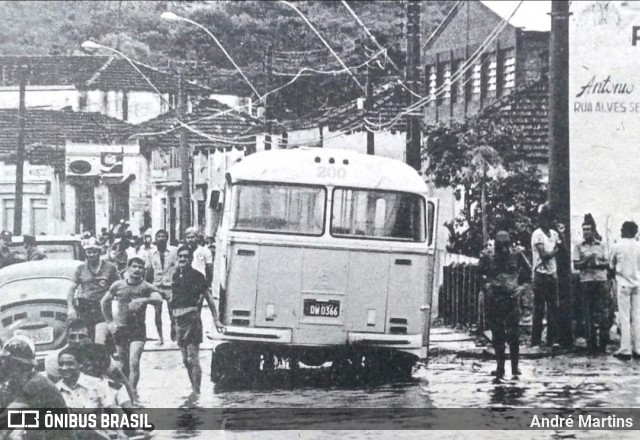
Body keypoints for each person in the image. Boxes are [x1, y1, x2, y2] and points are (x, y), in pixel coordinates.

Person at [101, 257, 163, 390]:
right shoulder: (118, 285)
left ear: (144, 271)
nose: (137, 270)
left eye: (140, 268)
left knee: (134, 361)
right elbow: (104, 302)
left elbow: (159, 299)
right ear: (128, 268)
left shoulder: (146, 286)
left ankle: (133, 392)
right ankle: (126, 391)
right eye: (134, 266)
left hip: (138, 329)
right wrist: (109, 322)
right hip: (121, 328)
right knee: (123, 364)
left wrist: (144, 300)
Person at [171, 245, 223, 396]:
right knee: (185, 361)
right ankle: (194, 389)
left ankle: (196, 392)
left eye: (186, 256)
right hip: (177, 320)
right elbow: (172, 300)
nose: (182, 259)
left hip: (192, 319)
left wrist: (216, 320)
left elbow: (209, 298)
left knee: (192, 358)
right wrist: (172, 326)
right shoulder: (175, 275)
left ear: (191, 258)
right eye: (180, 256)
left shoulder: (197, 276)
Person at [44, 318, 134, 402]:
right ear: (67, 338)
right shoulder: (54, 359)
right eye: (72, 336)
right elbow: (57, 391)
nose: (77, 341)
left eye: (81, 336)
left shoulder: (99, 353)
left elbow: (120, 379)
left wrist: (131, 402)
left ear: (90, 338)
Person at [479, 231, 530, 380]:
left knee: (514, 334)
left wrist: (521, 288)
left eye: (505, 246)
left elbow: (528, 274)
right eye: (500, 246)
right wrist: (486, 285)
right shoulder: (488, 256)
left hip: (512, 298)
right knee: (498, 334)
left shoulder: (517, 255)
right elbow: (479, 274)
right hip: (495, 298)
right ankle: (499, 367)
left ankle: (515, 367)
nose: (503, 250)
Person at [0, 337, 70, 440]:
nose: (3, 367)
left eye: (5, 363)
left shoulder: (36, 384)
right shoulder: (21, 383)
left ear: (18, 366)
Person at [67, 237, 120, 341]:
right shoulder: (80, 268)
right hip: (85, 307)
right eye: (89, 252)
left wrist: (117, 305)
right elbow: (71, 289)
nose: (91, 255)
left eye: (94, 252)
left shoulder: (110, 268)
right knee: (86, 338)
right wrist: (70, 308)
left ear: (99, 252)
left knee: (101, 338)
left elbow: (118, 287)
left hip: (103, 307)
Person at [573, 215, 611, 353]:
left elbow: (608, 263)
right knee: (587, 313)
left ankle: (604, 343)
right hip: (586, 281)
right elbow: (576, 265)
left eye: (588, 229)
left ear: (593, 231)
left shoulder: (602, 245)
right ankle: (591, 343)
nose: (586, 232)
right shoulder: (578, 246)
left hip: (601, 281)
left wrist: (597, 262)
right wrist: (586, 261)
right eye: (584, 229)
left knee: (603, 312)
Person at [530, 208, 562, 349]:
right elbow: (544, 254)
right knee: (539, 308)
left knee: (553, 307)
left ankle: (552, 339)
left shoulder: (554, 234)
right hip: (540, 274)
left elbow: (563, 247)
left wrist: (560, 231)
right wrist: (555, 251)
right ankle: (535, 340)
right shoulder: (537, 235)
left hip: (552, 274)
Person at [609, 221, 640, 360]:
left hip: (623, 284)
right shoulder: (639, 246)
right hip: (637, 284)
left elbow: (611, 264)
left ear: (624, 231)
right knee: (637, 316)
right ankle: (638, 347)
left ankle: (626, 349)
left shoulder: (617, 246)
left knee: (624, 317)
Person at [144, 229, 177, 346]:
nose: (161, 238)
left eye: (164, 236)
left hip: (170, 286)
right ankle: (160, 337)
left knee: (172, 313)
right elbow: (148, 270)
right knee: (157, 314)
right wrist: (147, 287)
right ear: (156, 239)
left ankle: (174, 335)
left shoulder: (174, 251)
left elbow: (178, 268)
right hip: (156, 286)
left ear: (167, 238)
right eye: (159, 236)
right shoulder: (150, 254)